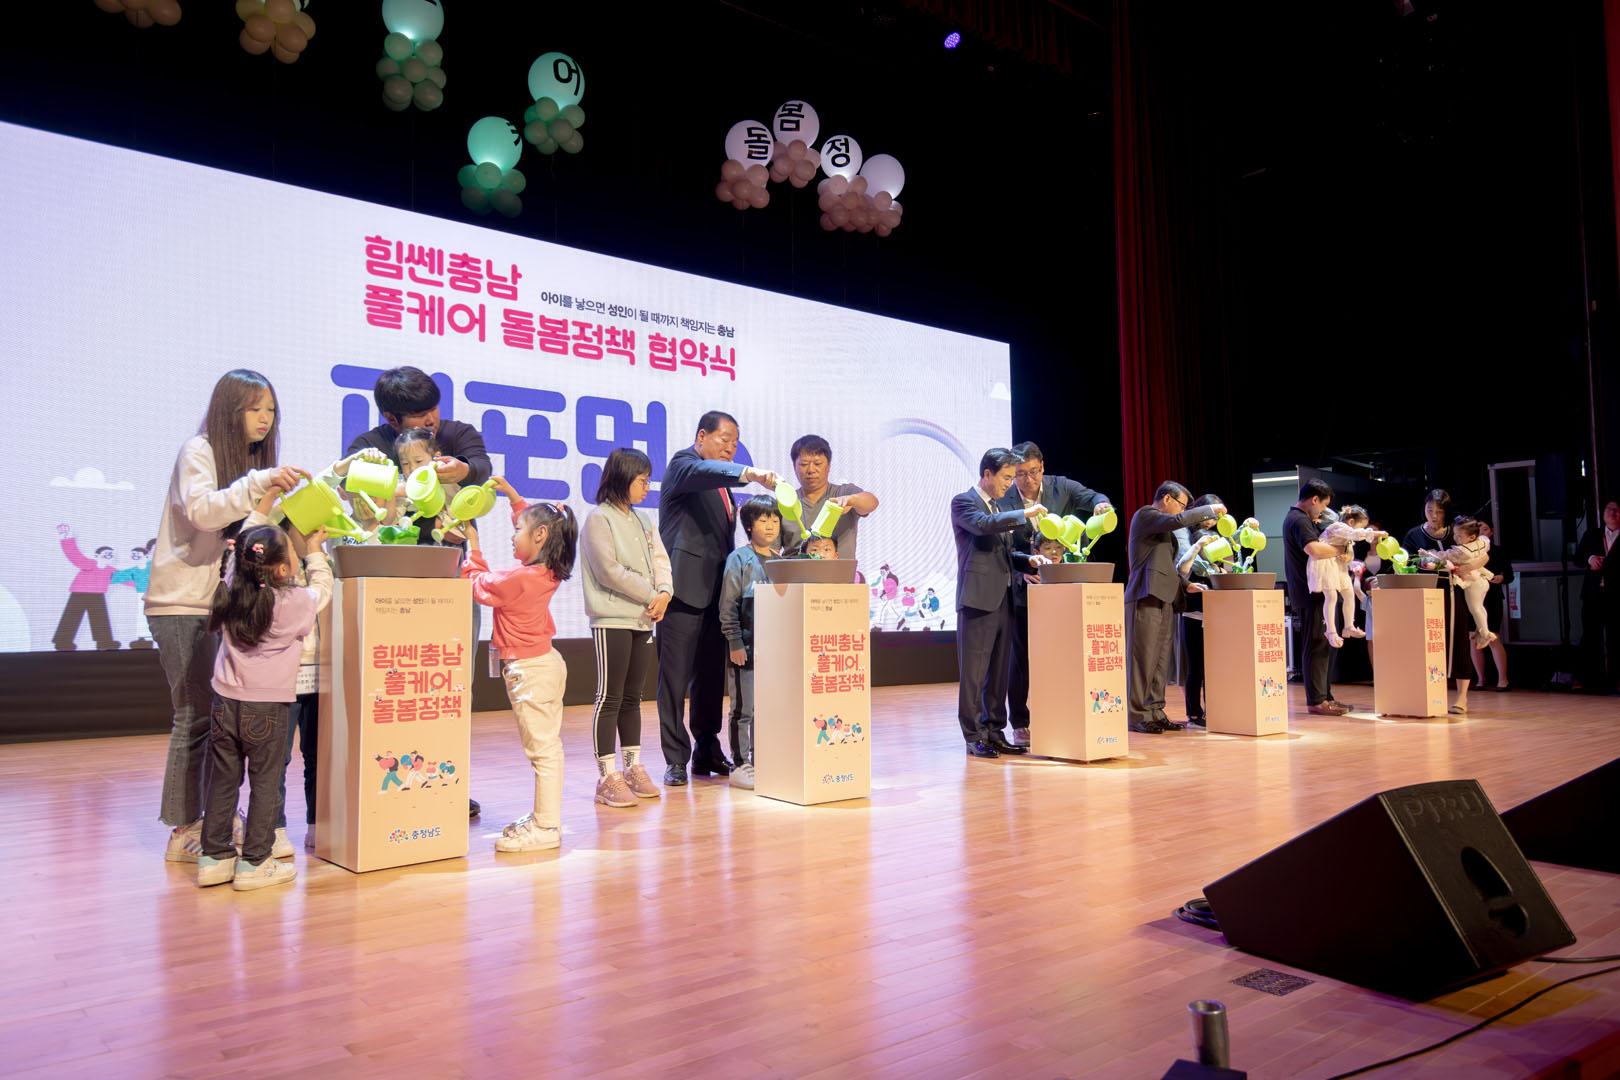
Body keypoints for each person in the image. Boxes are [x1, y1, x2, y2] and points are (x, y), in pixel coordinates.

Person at [149, 369, 308, 864]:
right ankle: (184, 829)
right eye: (255, 408)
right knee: (194, 716)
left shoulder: (248, 466)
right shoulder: (199, 451)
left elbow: (245, 540)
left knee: (218, 721)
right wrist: (259, 483)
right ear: (229, 409)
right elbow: (202, 511)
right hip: (182, 603)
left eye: (271, 410)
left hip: (219, 606)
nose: (265, 419)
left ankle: (211, 821)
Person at [346, 367, 488, 812]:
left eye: (434, 410)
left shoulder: (458, 434)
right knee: (398, 688)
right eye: (420, 416)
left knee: (453, 686)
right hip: (393, 584)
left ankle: (448, 783)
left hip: (452, 577)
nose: (432, 420)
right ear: (391, 419)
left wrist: (464, 469)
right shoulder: (368, 447)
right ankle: (390, 785)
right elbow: (353, 491)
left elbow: (481, 467)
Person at [197, 522, 331, 891]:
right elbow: (322, 589)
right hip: (268, 708)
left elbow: (235, 562)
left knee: (222, 781)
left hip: (225, 703)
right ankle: (255, 862)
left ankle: (214, 858)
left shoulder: (230, 589)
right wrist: (315, 552)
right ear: (283, 568)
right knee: (266, 785)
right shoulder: (293, 602)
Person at [655, 411, 780, 786]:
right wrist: (750, 473)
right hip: (682, 593)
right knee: (674, 681)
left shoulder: (724, 488)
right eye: (724, 439)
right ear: (701, 437)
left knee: (710, 681)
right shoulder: (683, 465)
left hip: (717, 597)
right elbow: (701, 472)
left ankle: (706, 749)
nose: (730, 447)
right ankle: (675, 758)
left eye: (735, 442)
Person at [462, 492, 577, 851]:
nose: (512, 536)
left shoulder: (519, 579)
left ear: (540, 535)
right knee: (546, 748)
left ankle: (546, 827)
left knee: (543, 751)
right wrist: (513, 498)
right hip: (543, 664)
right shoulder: (547, 570)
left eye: (517, 529)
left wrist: (473, 544)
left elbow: (476, 582)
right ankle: (543, 818)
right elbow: (536, 524)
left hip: (530, 671)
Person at [999, 441, 1113, 746]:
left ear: (1042, 467)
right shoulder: (1005, 497)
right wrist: (1020, 569)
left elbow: (1094, 497)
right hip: (1023, 587)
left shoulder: (1061, 487)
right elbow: (999, 547)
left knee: (1062, 655)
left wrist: (1102, 505)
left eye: (1033, 472)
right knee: (1021, 657)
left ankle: (1060, 716)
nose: (1027, 480)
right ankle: (1020, 722)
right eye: (1020, 474)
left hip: (1062, 590)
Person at [577, 451, 671, 808]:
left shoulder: (644, 519)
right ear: (622, 478)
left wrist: (665, 592)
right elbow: (608, 571)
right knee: (610, 697)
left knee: (633, 697)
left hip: (643, 618)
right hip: (612, 618)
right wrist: (651, 594)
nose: (647, 487)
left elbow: (661, 560)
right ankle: (606, 777)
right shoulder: (599, 518)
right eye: (642, 480)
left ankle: (632, 768)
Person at [950, 448, 1050, 757]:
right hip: (978, 599)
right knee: (975, 673)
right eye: (1007, 477)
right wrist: (1023, 515)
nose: (1010, 483)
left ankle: (994, 731)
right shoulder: (964, 502)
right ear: (987, 474)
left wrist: (1028, 560)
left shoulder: (997, 507)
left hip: (1004, 598)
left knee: (998, 672)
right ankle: (973, 735)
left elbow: (1003, 554)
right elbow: (982, 525)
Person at [1125, 482, 1220, 733]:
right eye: (1181, 505)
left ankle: (1156, 711)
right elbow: (1177, 520)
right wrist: (1209, 510)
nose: (1182, 511)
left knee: (1159, 661)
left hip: (1165, 596)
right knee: (1142, 659)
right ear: (1167, 499)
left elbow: (1167, 566)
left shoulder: (1164, 530)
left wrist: (1186, 584)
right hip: (1145, 595)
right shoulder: (1146, 515)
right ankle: (1138, 714)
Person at [720, 495, 781, 790]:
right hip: (746, 649)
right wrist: (735, 642)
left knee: (767, 709)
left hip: (775, 652)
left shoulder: (781, 561)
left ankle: (764, 760)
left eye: (775, 519)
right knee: (743, 710)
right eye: (763, 520)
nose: (770, 526)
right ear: (748, 525)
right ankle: (740, 764)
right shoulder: (739, 559)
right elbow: (728, 605)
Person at [1283, 478, 1356, 716]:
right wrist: (1340, 549)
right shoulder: (1298, 519)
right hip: (1312, 591)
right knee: (1316, 643)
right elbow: (1314, 549)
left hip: (1320, 589)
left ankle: (1325, 696)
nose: (1323, 511)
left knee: (1326, 643)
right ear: (1314, 499)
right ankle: (1316, 700)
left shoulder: (1303, 519)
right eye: (1323, 505)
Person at [1402, 488, 1473, 714]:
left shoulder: (1455, 532)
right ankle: (1431, 693)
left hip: (1454, 591)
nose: (1434, 515)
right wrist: (1427, 563)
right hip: (1426, 593)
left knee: (1459, 642)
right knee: (1428, 644)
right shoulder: (1414, 535)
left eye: (1439, 511)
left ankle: (1462, 697)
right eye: (1430, 510)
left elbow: (1472, 554)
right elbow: (1406, 563)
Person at [1174, 495, 1232, 727]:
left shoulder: (1218, 552)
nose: (1211, 522)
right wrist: (1198, 547)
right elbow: (1182, 569)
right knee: (1196, 667)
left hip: (1215, 616)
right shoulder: (1188, 545)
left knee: (1214, 668)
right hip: (1193, 615)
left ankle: (1215, 710)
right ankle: (1195, 714)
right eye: (1209, 516)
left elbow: (1229, 568)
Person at [778, 434, 879, 558]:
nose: (811, 470)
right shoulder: (785, 503)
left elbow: (872, 502)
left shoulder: (843, 492)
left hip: (839, 570)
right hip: (794, 570)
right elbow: (770, 550)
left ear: (829, 466)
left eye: (817, 463)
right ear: (794, 467)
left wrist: (851, 500)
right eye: (804, 464)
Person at [1312, 505, 1385, 648]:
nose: (1362, 529)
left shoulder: (1347, 537)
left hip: (1338, 566)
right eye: (1361, 526)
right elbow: (1356, 534)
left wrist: (1350, 560)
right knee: (1331, 596)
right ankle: (1331, 631)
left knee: (1349, 594)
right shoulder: (1337, 527)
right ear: (1351, 522)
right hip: (1325, 564)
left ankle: (1349, 626)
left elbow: (1349, 553)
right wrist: (1377, 533)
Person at [1426, 516, 1496, 647]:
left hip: (1474, 583)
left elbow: (1444, 555)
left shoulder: (1462, 551)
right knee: (1480, 607)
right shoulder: (1482, 541)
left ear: (1472, 537)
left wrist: (1428, 554)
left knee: (1475, 608)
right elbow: (1485, 539)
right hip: (1483, 579)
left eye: (1459, 536)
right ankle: (1481, 629)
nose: (1456, 538)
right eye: (1455, 534)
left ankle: (1485, 634)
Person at [1576, 499, 1620, 692]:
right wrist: (1590, 558)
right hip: (1593, 594)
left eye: (1616, 510)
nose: (1612, 513)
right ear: (1603, 514)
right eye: (1609, 509)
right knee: (1589, 637)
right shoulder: (1592, 534)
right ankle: (1587, 680)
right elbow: (1577, 559)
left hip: (1615, 596)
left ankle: (1616, 681)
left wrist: (1607, 563)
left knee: (1616, 638)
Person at [1469, 518, 1512, 691]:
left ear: (1492, 532)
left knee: (1493, 637)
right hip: (1472, 597)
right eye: (1478, 530)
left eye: (1485, 529)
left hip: (1492, 597)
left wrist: (1501, 577)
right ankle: (1480, 680)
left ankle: (1503, 680)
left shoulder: (1498, 551)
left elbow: (1509, 575)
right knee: (1473, 639)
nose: (1481, 533)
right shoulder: (1468, 551)